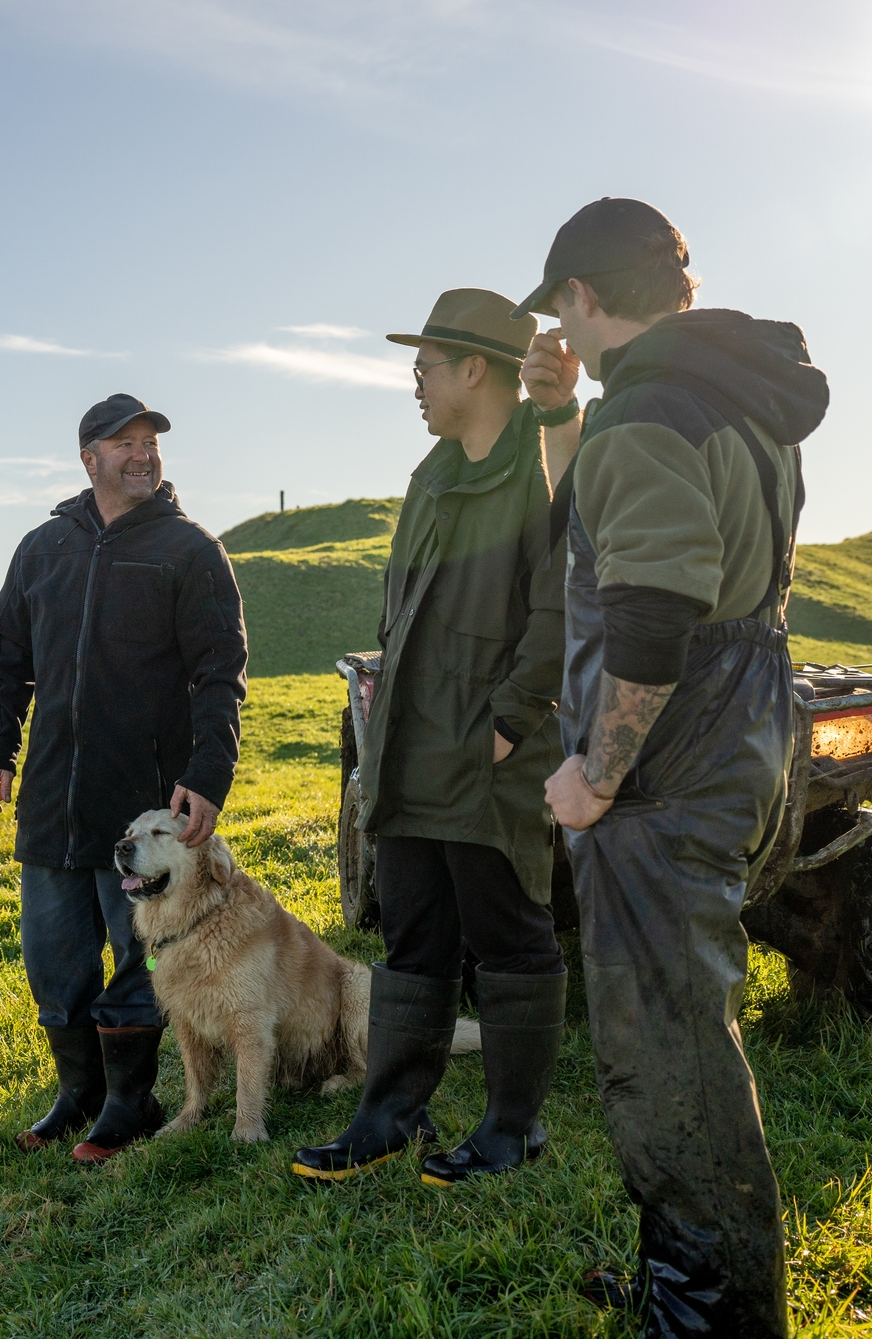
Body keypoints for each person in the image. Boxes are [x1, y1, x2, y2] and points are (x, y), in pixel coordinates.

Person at [523, 198, 826, 1336]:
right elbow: (606, 537)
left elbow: (648, 613)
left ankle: (712, 1316)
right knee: (673, 1028)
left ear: (582, 297)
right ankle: (689, 1274)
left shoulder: (648, 412)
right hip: (737, 729)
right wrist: (561, 416)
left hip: (668, 762)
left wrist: (596, 776)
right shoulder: (723, 396)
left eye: (561, 305)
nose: (558, 325)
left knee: (673, 1048)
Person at [290, 289, 578, 1187]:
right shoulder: (433, 472)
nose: (412, 383)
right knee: (411, 935)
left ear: (473, 368)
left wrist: (506, 723)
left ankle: (511, 1129)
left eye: (423, 367)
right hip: (411, 747)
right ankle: (384, 1116)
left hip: (488, 753)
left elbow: (560, 605)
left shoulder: (543, 468)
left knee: (508, 934)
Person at [0, 393, 249, 1164]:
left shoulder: (189, 550)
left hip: (143, 805)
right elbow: (9, 661)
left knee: (137, 963)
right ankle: (79, 1094)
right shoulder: (41, 548)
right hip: (51, 798)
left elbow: (219, 674)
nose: (141, 454)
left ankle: (130, 1102)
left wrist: (207, 774)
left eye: (149, 443)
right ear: (87, 458)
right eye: (122, 443)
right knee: (53, 961)